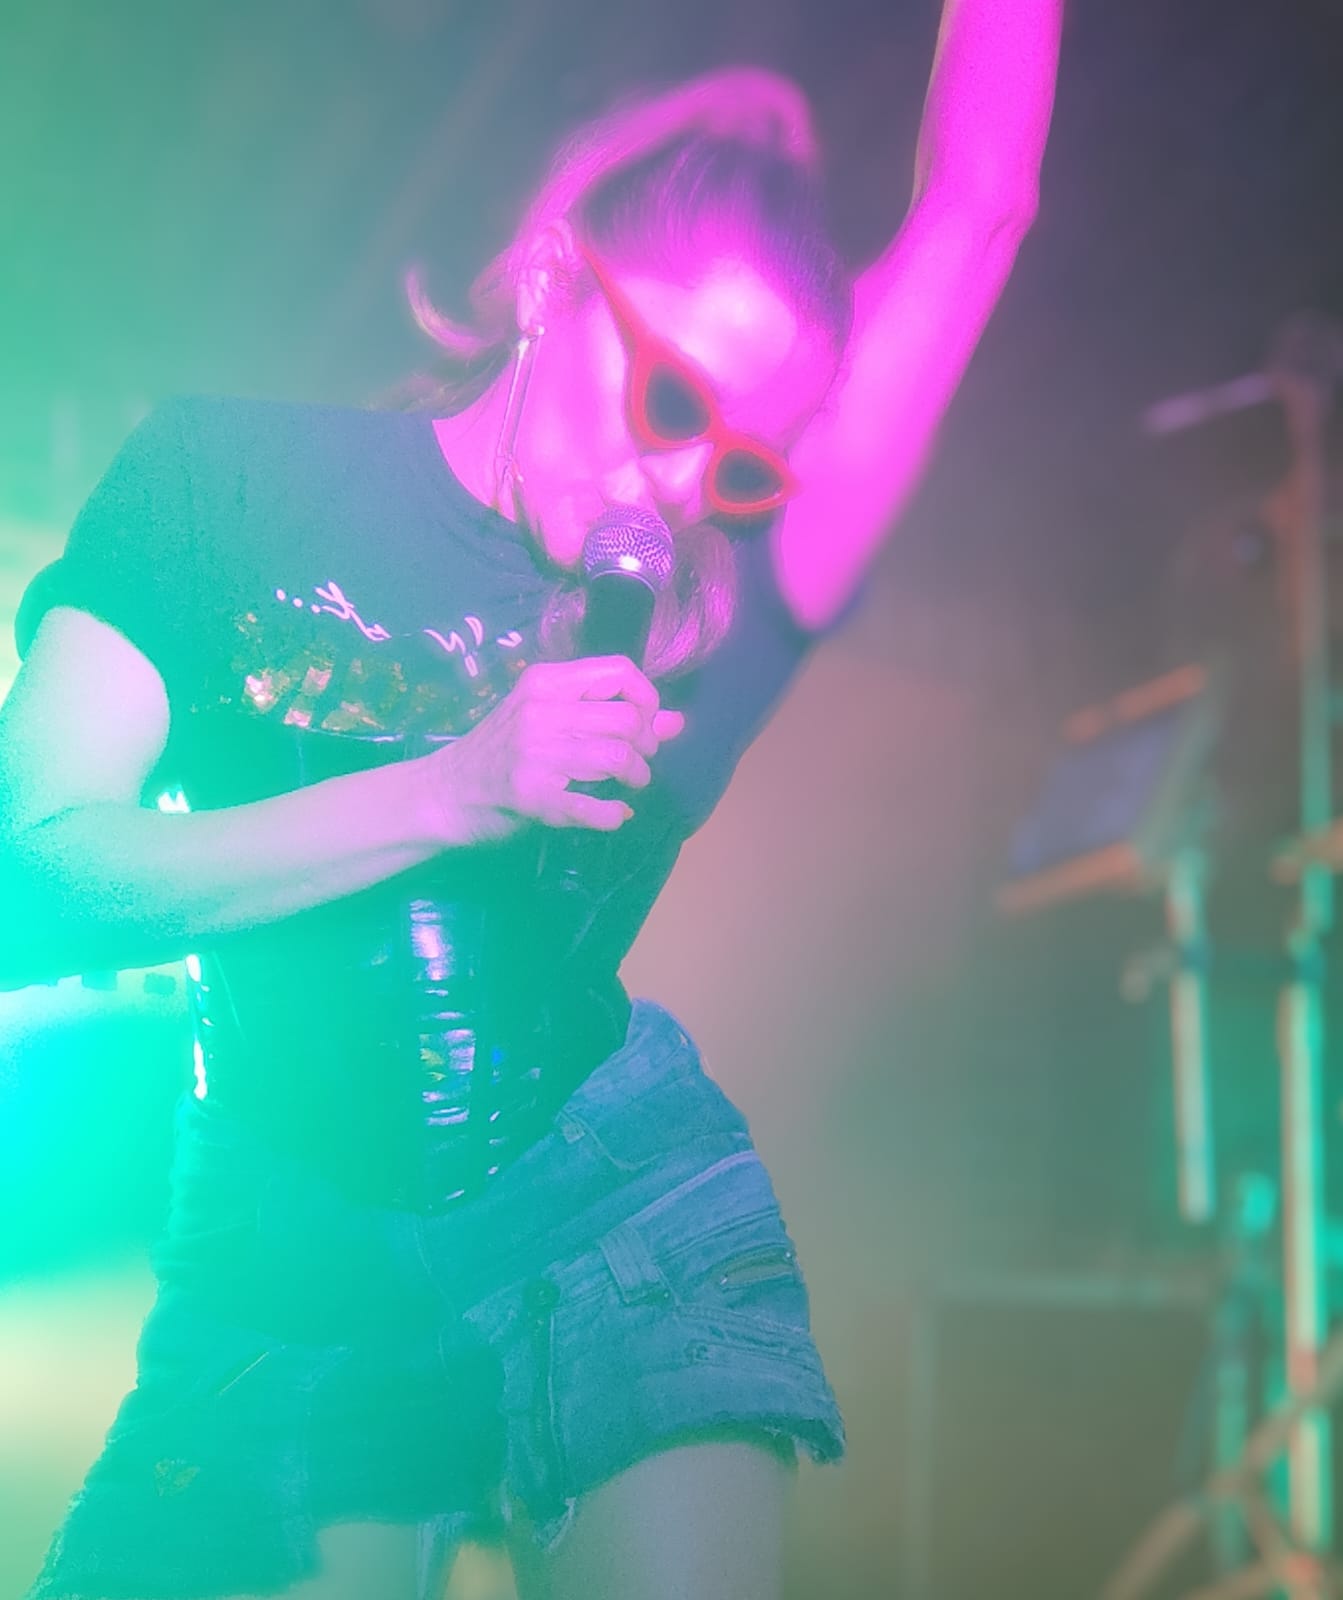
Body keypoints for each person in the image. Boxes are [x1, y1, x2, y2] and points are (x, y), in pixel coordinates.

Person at [0, 7, 1061, 1598]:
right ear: (556, 279)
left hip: (604, 1209)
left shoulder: (738, 595)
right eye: (672, 404)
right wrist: (454, 790)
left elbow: (980, 204)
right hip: (283, 1240)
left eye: (742, 462)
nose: (685, 488)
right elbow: (33, 884)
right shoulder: (230, 480)